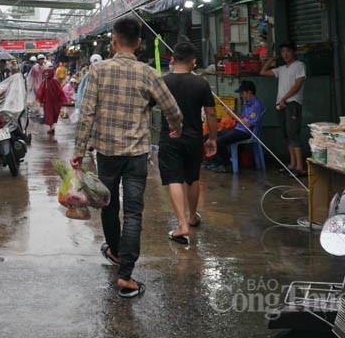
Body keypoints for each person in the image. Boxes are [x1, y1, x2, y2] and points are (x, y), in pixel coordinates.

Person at [72, 17, 183, 299]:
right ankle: (126, 275)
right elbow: (173, 110)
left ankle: (116, 252)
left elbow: (86, 114)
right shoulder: (148, 73)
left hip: (106, 153)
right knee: (133, 212)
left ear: (113, 41)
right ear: (139, 43)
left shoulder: (98, 71)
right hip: (136, 154)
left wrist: (79, 151)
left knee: (108, 205)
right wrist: (176, 129)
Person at [157, 42, 217, 246]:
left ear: (173, 59)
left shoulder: (163, 82)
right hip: (194, 138)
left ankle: (182, 224)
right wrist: (213, 138)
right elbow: (210, 112)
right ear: (193, 62)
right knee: (193, 177)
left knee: (174, 178)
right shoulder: (201, 83)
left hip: (169, 137)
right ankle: (192, 216)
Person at [261, 43, 306, 176]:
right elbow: (263, 72)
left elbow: (297, 85)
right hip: (281, 105)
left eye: (288, 51)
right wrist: (271, 60)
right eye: (283, 52)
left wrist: (284, 98)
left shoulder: (299, 65)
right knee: (286, 135)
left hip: (292, 103)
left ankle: (300, 167)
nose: (285, 54)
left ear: (293, 52)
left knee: (293, 134)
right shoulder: (281, 69)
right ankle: (292, 164)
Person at [206, 80, 265, 172]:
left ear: (249, 92)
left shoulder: (256, 105)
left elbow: (247, 124)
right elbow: (242, 117)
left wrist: (232, 114)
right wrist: (233, 112)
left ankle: (226, 164)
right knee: (211, 135)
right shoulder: (247, 102)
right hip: (238, 129)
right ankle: (216, 162)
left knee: (219, 141)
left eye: (242, 93)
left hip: (246, 132)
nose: (241, 95)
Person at [37, 68, 67, 134]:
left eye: (48, 73)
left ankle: (52, 126)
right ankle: (51, 127)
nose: (46, 74)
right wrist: (40, 100)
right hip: (47, 102)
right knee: (49, 115)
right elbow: (40, 91)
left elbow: (60, 91)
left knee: (54, 113)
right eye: (45, 73)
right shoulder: (44, 82)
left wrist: (63, 99)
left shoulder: (54, 81)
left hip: (55, 101)